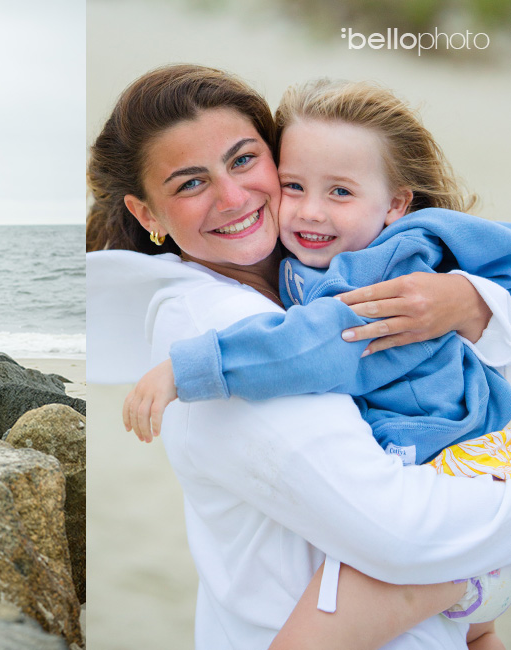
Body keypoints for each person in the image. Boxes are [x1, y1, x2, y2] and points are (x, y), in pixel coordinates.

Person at [86, 64, 511, 649]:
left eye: (243, 161)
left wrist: (472, 304)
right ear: (147, 215)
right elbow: (401, 533)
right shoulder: (217, 322)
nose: (234, 198)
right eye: (190, 183)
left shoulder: (314, 277)